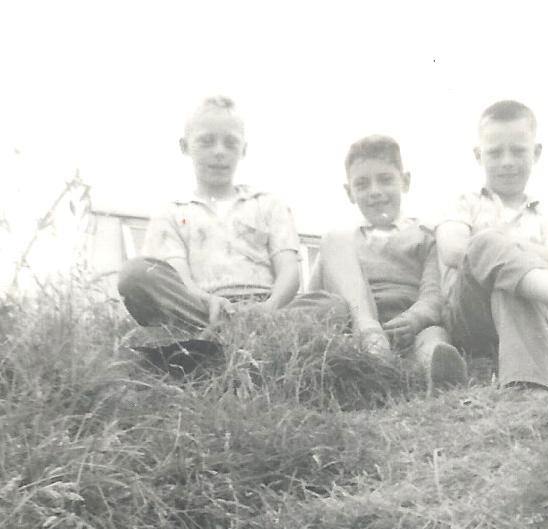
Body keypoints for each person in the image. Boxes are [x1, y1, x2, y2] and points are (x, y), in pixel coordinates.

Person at [436, 100, 548, 392]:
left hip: (541, 318)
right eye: (495, 152)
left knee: (510, 286)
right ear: (478, 155)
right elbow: (452, 249)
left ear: (536, 152)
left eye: (518, 150)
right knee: (487, 245)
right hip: (472, 317)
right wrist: (502, 245)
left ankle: (532, 390)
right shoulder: (463, 202)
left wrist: (506, 254)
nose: (507, 161)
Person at [117, 96, 301, 332]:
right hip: (201, 303)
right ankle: (217, 328)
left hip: (265, 305)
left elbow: (289, 270)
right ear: (184, 146)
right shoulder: (172, 212)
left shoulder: (267, 203)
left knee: (330, 304)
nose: (219, 152)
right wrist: (205, 300)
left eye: (230, 143)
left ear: (243, 149)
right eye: (206, 141)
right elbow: (180, 276)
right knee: (136, 273)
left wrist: (270, 306)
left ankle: (224, 333)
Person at [307, 134, 467, 392]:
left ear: (405, 181)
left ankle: (436, 372)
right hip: (359, 323)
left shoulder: (423, 235)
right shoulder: (343, 243)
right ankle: (371, 369)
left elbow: (433, 295)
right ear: (349, 192)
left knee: (434, 338)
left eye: (385, 180)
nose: (375, 192)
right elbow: (317, 291)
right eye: (362, 184)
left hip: (410, 323)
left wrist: (413, 319)